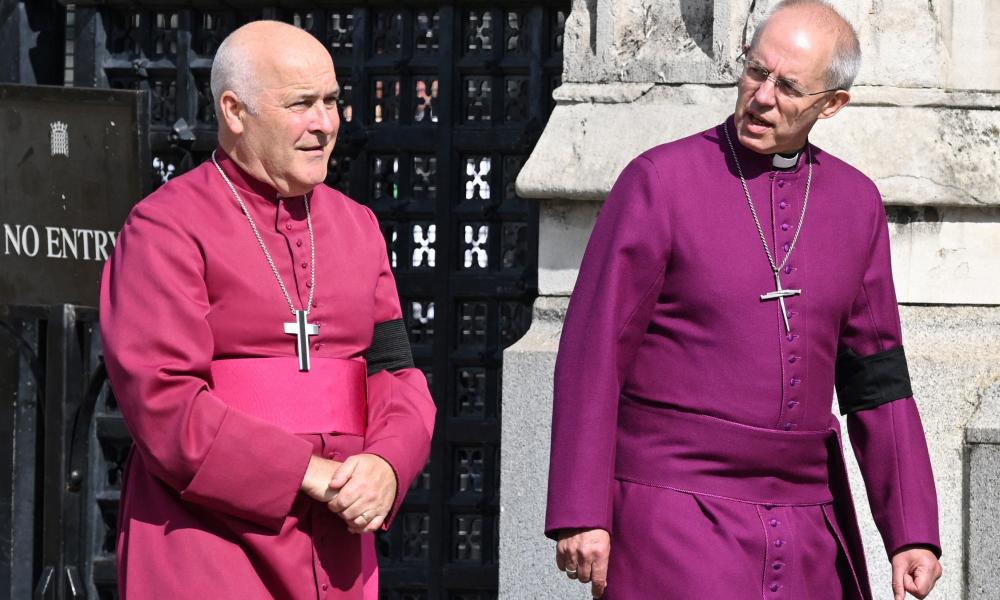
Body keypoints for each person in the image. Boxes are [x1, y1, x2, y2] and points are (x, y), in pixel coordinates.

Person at [545, 1, 943, 599]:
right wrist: (582, 510)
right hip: (672, 513)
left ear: (831, 105)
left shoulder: (855, 204)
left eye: (789, 87)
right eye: (756, 72)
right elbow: (592, 349)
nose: (762, 97)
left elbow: (877, 377)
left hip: (808, 522)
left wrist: (911, 529)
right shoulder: (660, 182)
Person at [100, 20, 435, 599]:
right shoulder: (166, 226)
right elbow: (163, 400)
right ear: (234, 111)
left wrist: (388, 465)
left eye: (331, 102)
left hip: (337, 539)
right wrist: (307, 472)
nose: (325, 124)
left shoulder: (358, 227)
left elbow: (392, 371)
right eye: (301, 104)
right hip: (207, 537)